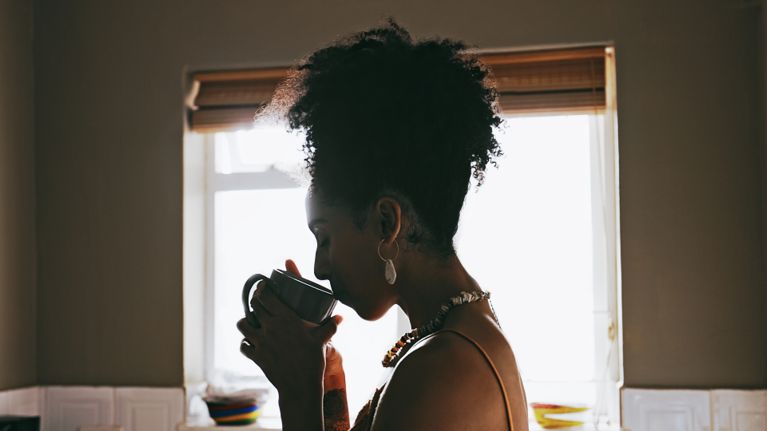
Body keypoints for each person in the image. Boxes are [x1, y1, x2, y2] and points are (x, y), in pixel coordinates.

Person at [236, 20, 529, 431]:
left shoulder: (441, 369)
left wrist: (298, 391)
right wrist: (326, 387)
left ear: (386, 223)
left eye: (324, 237)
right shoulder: (458, 334)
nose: (319, 268)